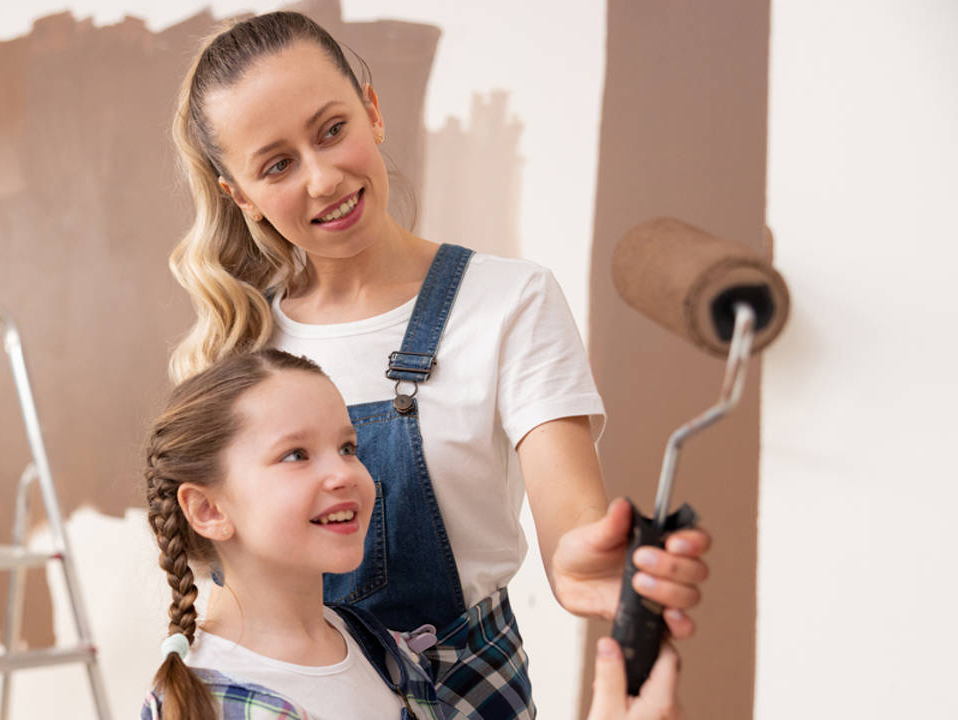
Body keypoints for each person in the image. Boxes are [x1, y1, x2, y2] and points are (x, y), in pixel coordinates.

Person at [166, 11, 710, 718]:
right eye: (277, 165)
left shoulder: (510, 300)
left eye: (332, 130)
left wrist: (585, 561)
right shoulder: (243, 348)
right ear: (239, 193)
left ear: (372, 111)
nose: (324, 178)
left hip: (474, 695)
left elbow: (570, 515)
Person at [140, 349, 683, 720]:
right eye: (296, 454)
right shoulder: (220, 702)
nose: (346, 474)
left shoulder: (378, 648)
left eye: (348, 447)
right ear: (208, 509)